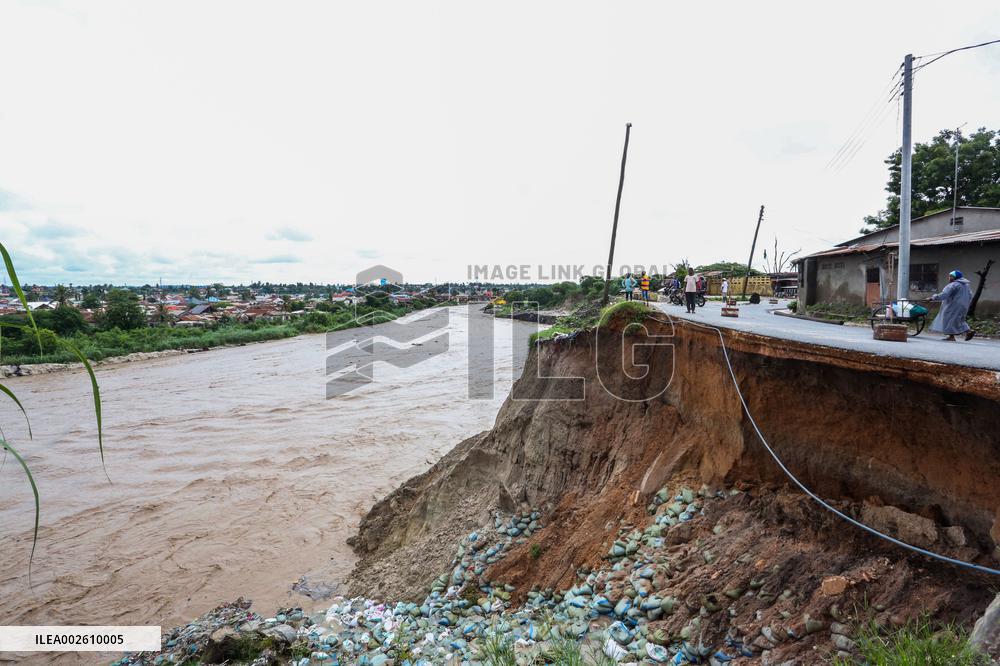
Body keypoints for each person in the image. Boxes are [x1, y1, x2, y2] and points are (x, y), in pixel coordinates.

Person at [929, 270, 974, 341]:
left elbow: (945, 294)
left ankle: (951, 336)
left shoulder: (953, 285)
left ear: (956, 277)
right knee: (959, 319)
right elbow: (970, 295)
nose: (949, 278)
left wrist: (933, 297)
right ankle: (968, 331)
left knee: (948, 319)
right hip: (963, 306)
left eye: (951, 276)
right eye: (949, 276)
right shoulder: (966, 285)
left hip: (953, 305)